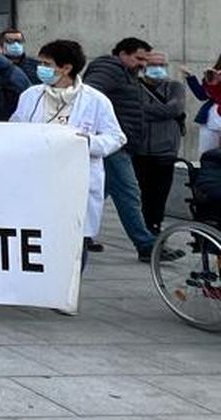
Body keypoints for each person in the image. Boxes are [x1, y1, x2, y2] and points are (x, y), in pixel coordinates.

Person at [11, 40, 125, 256]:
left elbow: (116, 137)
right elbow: (14, 129)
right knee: (38, 238)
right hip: (38, 178)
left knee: (74, 243)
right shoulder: (31, 96)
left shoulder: (96, 100)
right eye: (40, 63)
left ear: (66, 68)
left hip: (76, 179)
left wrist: (88, 142)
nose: (40, 68)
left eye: (47, 64)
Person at [83, 37, 164, 261]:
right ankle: (146, 245)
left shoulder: (126, 73)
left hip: (119, 144)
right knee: (129, 193)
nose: (143, 64)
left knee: (98, 192)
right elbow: (90, 95)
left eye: (145, 60)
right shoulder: (109, 69)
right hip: (111, 146)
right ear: (122, 54)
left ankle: (81, 233)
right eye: (138, 58)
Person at [134, 53, 187, 233]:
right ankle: (144, 227)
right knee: (141, 192)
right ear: (143, 67)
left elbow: (174, 109)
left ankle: (155, 226)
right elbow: (134, 110)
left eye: (162, 65)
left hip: (166, 150)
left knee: (160, 192)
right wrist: (161, 111)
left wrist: (147, 111)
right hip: (140, 149)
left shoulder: (175, 87)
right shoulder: (135, 87)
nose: (158, 68)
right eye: (153, 65)